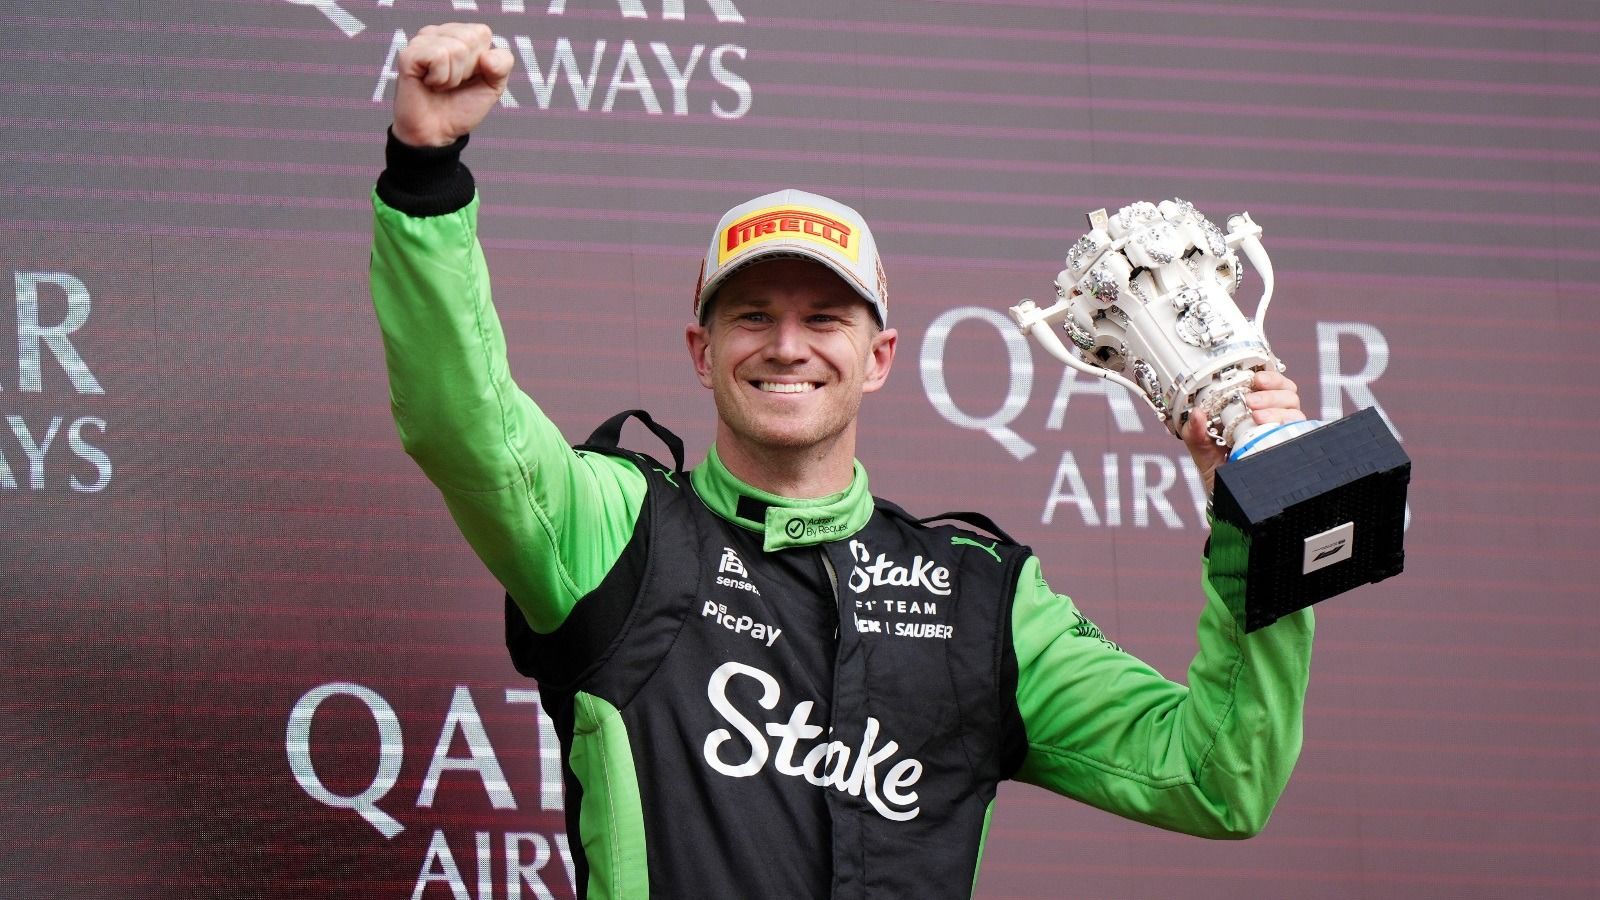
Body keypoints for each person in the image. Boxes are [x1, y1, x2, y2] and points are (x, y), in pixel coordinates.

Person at [369, 23, 1315, 900]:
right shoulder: (616, 529)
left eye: (824, 318)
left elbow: (1215, 778)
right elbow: (467, 426)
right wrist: (426, 180)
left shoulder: (982, 597)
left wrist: (1262, 511)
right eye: (753, 316)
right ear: (702, 351)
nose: (788, 347)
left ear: (879, 357)